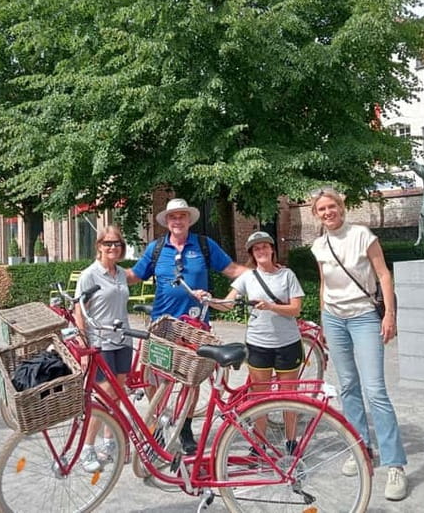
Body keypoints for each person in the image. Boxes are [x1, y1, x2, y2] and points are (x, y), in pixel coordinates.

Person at [310, 187, 408, 501]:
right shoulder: (318, 245)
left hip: (364, 316)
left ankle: (394, 463)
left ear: (341, 207)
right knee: (348, 386)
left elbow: (384, 275)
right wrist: (323, 319)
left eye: (332, 207)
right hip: (334, 319)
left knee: (375, 389)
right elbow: (324, 283)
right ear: (317, 214)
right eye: (322, 209)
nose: (328, 213)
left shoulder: (363, 235)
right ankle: (361, 447)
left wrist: (389, 314)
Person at [127, 197, 246, 454]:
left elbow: (233, 270)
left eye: (181, 216)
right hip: (162, 326)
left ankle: (185, 427)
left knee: (191, 380)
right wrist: (104, 272)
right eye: (173, 217)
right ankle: (159, 424)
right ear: (167, 222)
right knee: (154, 378)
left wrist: (265, 274)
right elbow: (134, 276)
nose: (177, 220)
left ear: (189, 220)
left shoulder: (204, 245)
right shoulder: (156, 249)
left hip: (195, 326)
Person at [209, 231, 305, 453]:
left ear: (272, 250)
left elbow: (295, 309)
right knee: (259, 397)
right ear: (252, 253)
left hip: (287, 343)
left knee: (288, 396)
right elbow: (227, 304)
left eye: (265, 247)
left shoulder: (287, 275)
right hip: (258, 344)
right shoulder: (248, 277)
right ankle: (259, 444)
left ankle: (291, 442)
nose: (261, 251)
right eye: (256, 248)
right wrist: (207, 299)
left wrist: (271, 306)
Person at [74, 225, 132, 472]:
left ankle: (109, 442)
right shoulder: (90, 275)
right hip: (101, 343)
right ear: (98, 246)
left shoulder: (120, 274)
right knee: (103, 397)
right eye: (107, 243)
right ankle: (86, 448)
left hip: (123, 340)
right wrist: (83, 344)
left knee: (118, 393)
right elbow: (79, 310)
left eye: (117, 244)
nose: (112, 248)